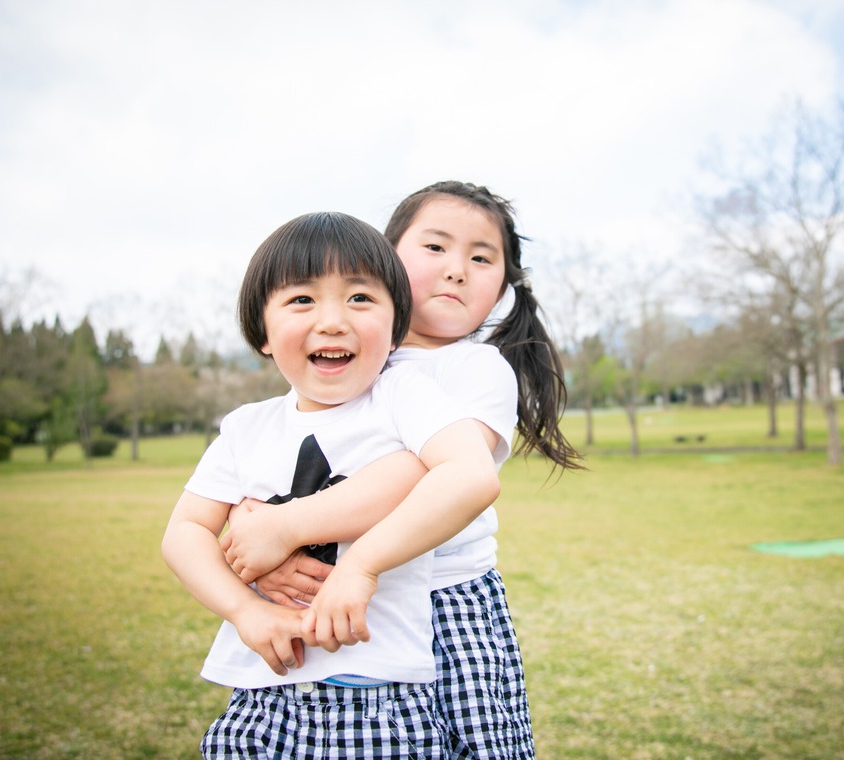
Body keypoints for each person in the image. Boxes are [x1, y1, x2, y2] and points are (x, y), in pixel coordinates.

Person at [221, 181, 583, 758]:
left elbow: (420, 473)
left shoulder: (475, 368)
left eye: (481, 258)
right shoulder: (351, 353)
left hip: (443, 600)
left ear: (502, 289)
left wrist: (286, 527)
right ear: (386, 260)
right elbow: (293, 458)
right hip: (335, 587)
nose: (458, 270)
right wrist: (260, 545)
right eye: (435, 248)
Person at [161, 211, 501, 758]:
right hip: (260, 695)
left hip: (381, 698)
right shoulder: (247, 426)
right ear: (262, 332)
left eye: (360, 299)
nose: (333, 321)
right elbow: (184, 532)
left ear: (395, 326)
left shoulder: (402, 397)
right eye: (302, 300)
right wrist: (244, 610)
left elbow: (470, 472)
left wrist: (361, 565)